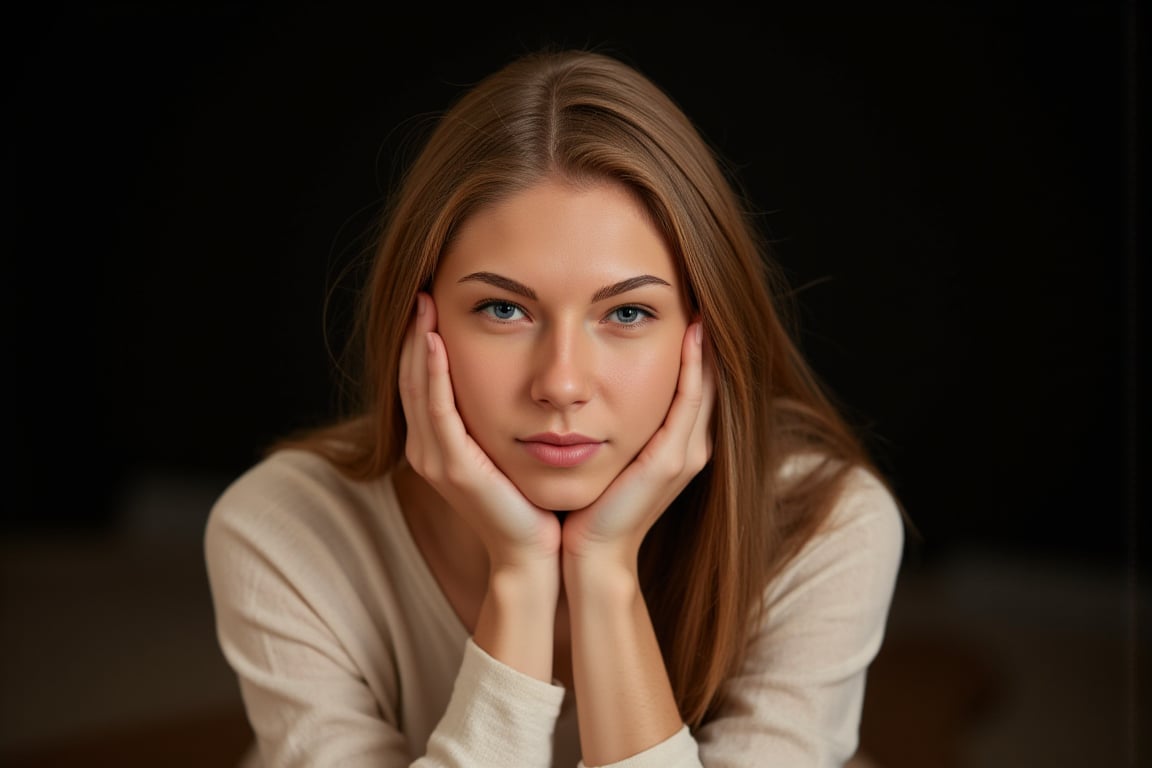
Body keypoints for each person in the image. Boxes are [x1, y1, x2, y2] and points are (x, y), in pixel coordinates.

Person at [204, 46, 905, 768]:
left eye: (627, 313)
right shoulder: (284, 529)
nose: (562, 383)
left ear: (707, 332)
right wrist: (521, 577)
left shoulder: (821, 525)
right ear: (419, 323)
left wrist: (603, 575)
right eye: (504, 309)